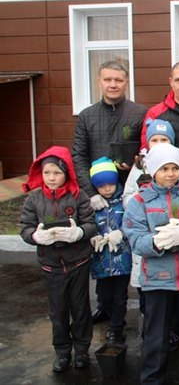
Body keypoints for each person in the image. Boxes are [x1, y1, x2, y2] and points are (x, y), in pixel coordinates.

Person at [123, 143, 179, 385]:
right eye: (164, 169)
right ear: (153, 170)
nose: (171, 174)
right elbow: (134, 238)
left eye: (175, 168)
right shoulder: (140, 201)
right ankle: (152, 379)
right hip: (157, 280)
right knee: (156, 335)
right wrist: (156, 241)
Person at [71, 60, 146, 324]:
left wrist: (135, 164)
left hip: (128, 195)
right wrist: (90, 192)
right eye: (108, 79)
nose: (113, 84)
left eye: (118, 80)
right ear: (99, 81)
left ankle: (129, 310)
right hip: (97, 198)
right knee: (101, 249)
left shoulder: (138, 113)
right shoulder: (87, 116)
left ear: (126, 82)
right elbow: (78, 155)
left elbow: (145, 152)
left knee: (128, 251)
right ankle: (104, 305)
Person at [19, 146, 97, 373]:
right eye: (47, 172)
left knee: (80, 309)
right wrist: (35, 236)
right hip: (51, 264)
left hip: (78, 262)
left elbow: (91, 224)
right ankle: (62, 352)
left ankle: (82, 350)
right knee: (58, 311)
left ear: (66, 173)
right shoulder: (34, 199)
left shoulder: (78, 196)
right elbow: (25, 227)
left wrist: (79, 233)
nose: (51, 178)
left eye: (57, 172)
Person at [87, 157, 132, 345]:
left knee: (120, 296)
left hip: (122, 259)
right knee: (104, 295)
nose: (107, 189)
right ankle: (108, 313)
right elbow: (86, 224)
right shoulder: (91, 205)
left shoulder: (123, 201)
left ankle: (116, 328)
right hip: (101, 259)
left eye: (110, 184)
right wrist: (92, 235)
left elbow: (132, 222)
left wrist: (121, 233)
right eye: (102, 186)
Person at [124, 118, 179, 204]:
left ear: (171, 142)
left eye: (164, 140)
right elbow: (127, 198)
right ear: (148, 143)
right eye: (154, 140)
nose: (159, 143)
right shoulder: (140, 165)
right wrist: (141, 198)